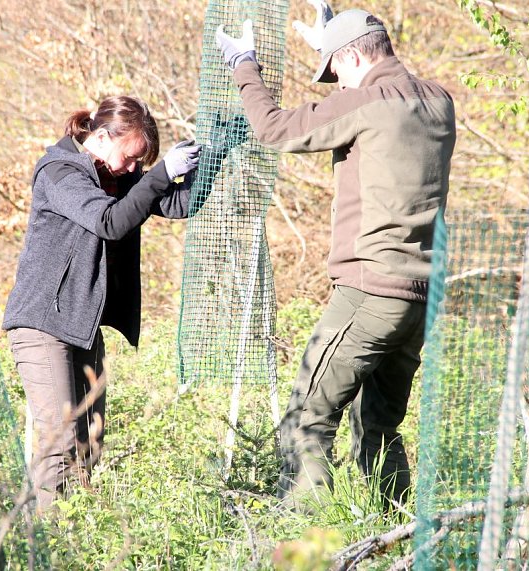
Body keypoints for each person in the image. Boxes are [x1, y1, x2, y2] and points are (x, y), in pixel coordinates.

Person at [216, 2, 456, 507]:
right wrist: (333, 42)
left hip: (369, 291)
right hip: (420, 299)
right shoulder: (439, 102)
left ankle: (311, 541)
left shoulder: (366, 103)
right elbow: (368, 90)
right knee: (380, 425)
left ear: (349, 61)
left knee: (308, 415)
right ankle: (389, 529)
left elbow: (275, 129)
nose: (336, 85)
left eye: (334, 72)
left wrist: (244, 65)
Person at [2, 95, 201, 509]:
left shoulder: (115, 175)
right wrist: (161, 174)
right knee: (59, 444)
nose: (134, 169)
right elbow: (110, 222)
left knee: (89, 445)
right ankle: (45, 546)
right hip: (42, 324)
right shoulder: (59, 172)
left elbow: (177, 203)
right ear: (104, 136)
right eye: (131, 157)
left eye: (141, 163)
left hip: (82, 325)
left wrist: (213, 158)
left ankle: (79, 539)